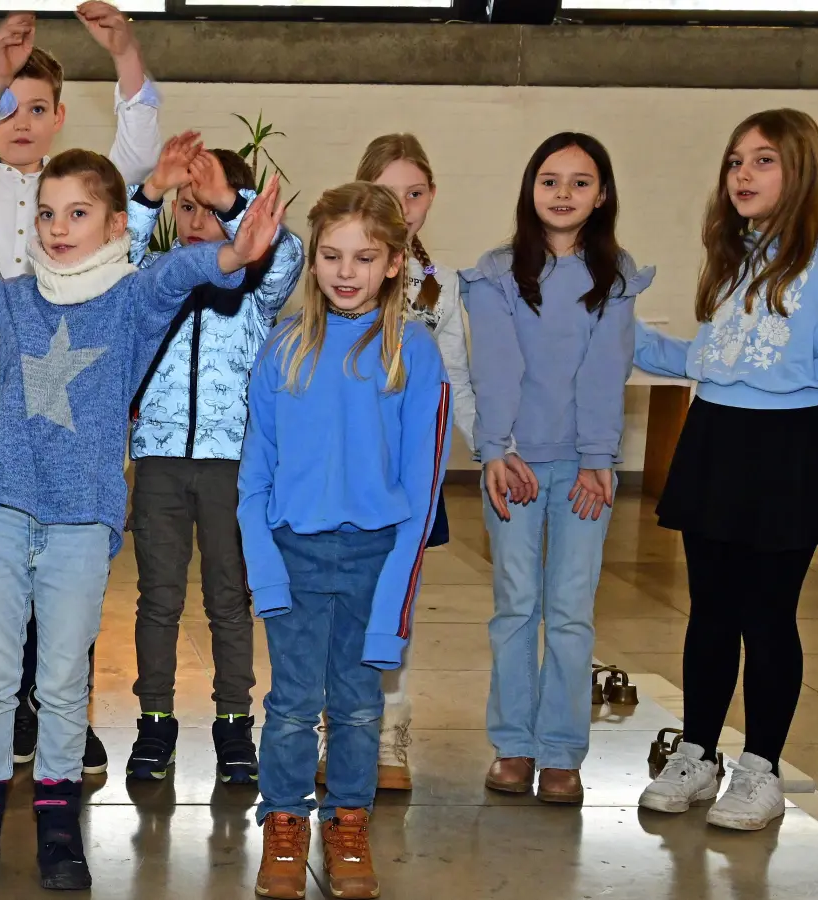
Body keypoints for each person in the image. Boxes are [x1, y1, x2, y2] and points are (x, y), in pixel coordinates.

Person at [0, 147, 286, 891]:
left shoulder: (132, 299)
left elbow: (189, 270)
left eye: (77, 213)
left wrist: (235, 248)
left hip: (82, 520)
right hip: (2, 510)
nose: (57, 228)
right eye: (47, 214)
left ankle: (58, 823)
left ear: (117, 225)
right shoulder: (14, 298)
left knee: (59, 681)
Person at [0, 4, 163, 771]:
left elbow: (139, 152)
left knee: (73, 546)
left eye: (36, 109)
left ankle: (61, 700)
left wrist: (124, 51)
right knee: (5, 544)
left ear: (60, 118)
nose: (21, 122)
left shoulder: (80, 187)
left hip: (78, 385)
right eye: (7, 108)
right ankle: (14, 704)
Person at [239, 181, 450, 900]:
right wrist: (266, 572)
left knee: (360, 705)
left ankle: (348, 820)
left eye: (364, 257)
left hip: (373, 560)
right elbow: (254, 478)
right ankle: (284, 821)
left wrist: (393, 605)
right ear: (313, 260)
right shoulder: (282, 349)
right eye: (331, 255)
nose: (346, 271)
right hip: (293, 557)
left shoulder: (414, 353)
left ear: (394, 262)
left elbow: (422, 493)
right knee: (293, 704)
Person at [634, 108, 818, 832]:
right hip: (716, 437)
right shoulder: (735, 254)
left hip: (790, 448)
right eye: (734, 161)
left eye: (762, 160)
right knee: (711, 609)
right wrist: (621, 328)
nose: (742, 175)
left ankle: (761, 767)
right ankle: (696, 752)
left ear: (800, 169)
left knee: (768, 612)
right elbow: (709, 359)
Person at [465, 132, 649, 804]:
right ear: (530, 189)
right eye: (550, 180)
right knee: (516, 605)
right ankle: (513, 745)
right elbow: (495, 366)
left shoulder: (615, 275)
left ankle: (563, 752)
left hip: (583, 471)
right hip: (512, 465)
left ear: (601, 195)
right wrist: (495, 449)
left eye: (580, 181)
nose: (563, 193)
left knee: (570, 611)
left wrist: (599, 458)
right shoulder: (495, 272)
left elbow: (606, 367)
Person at [122, 137, 303, 785]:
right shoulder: (151, 277)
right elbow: (110, 257)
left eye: (213, 207)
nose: (198, 220)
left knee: (229, 597)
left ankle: (233, 723)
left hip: (233, 465)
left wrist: (235, 208)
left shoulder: (255, 289)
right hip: (160, 460)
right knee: (158, 599)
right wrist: (149, 192)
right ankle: (155, 721)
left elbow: (287, 254)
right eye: (187, 206)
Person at [321, 132, 476, 792]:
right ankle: (337, 728)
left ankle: (388, 733)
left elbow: (455, 382)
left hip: (406, 483)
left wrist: (492, 453)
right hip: (339, 477)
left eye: (414, 194)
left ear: (431, 198)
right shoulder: (339, 275)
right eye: (388, 194)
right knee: (334, 607)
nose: (403, 208)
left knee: (393, 605)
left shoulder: (441, 288)